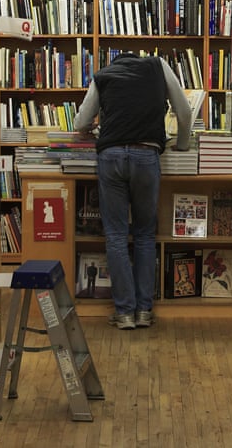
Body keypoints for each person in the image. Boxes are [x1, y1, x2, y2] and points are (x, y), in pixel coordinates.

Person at [74, 53, 191, 330]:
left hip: (111, 156)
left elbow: (80, 124)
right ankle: (144, 311)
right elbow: (184, 111)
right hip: (146, 154)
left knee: (115, 235)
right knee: (144, 234)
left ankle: (124, 313)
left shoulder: (103, 74)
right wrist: (184, 146)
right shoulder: (158, 66)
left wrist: (93, 128)